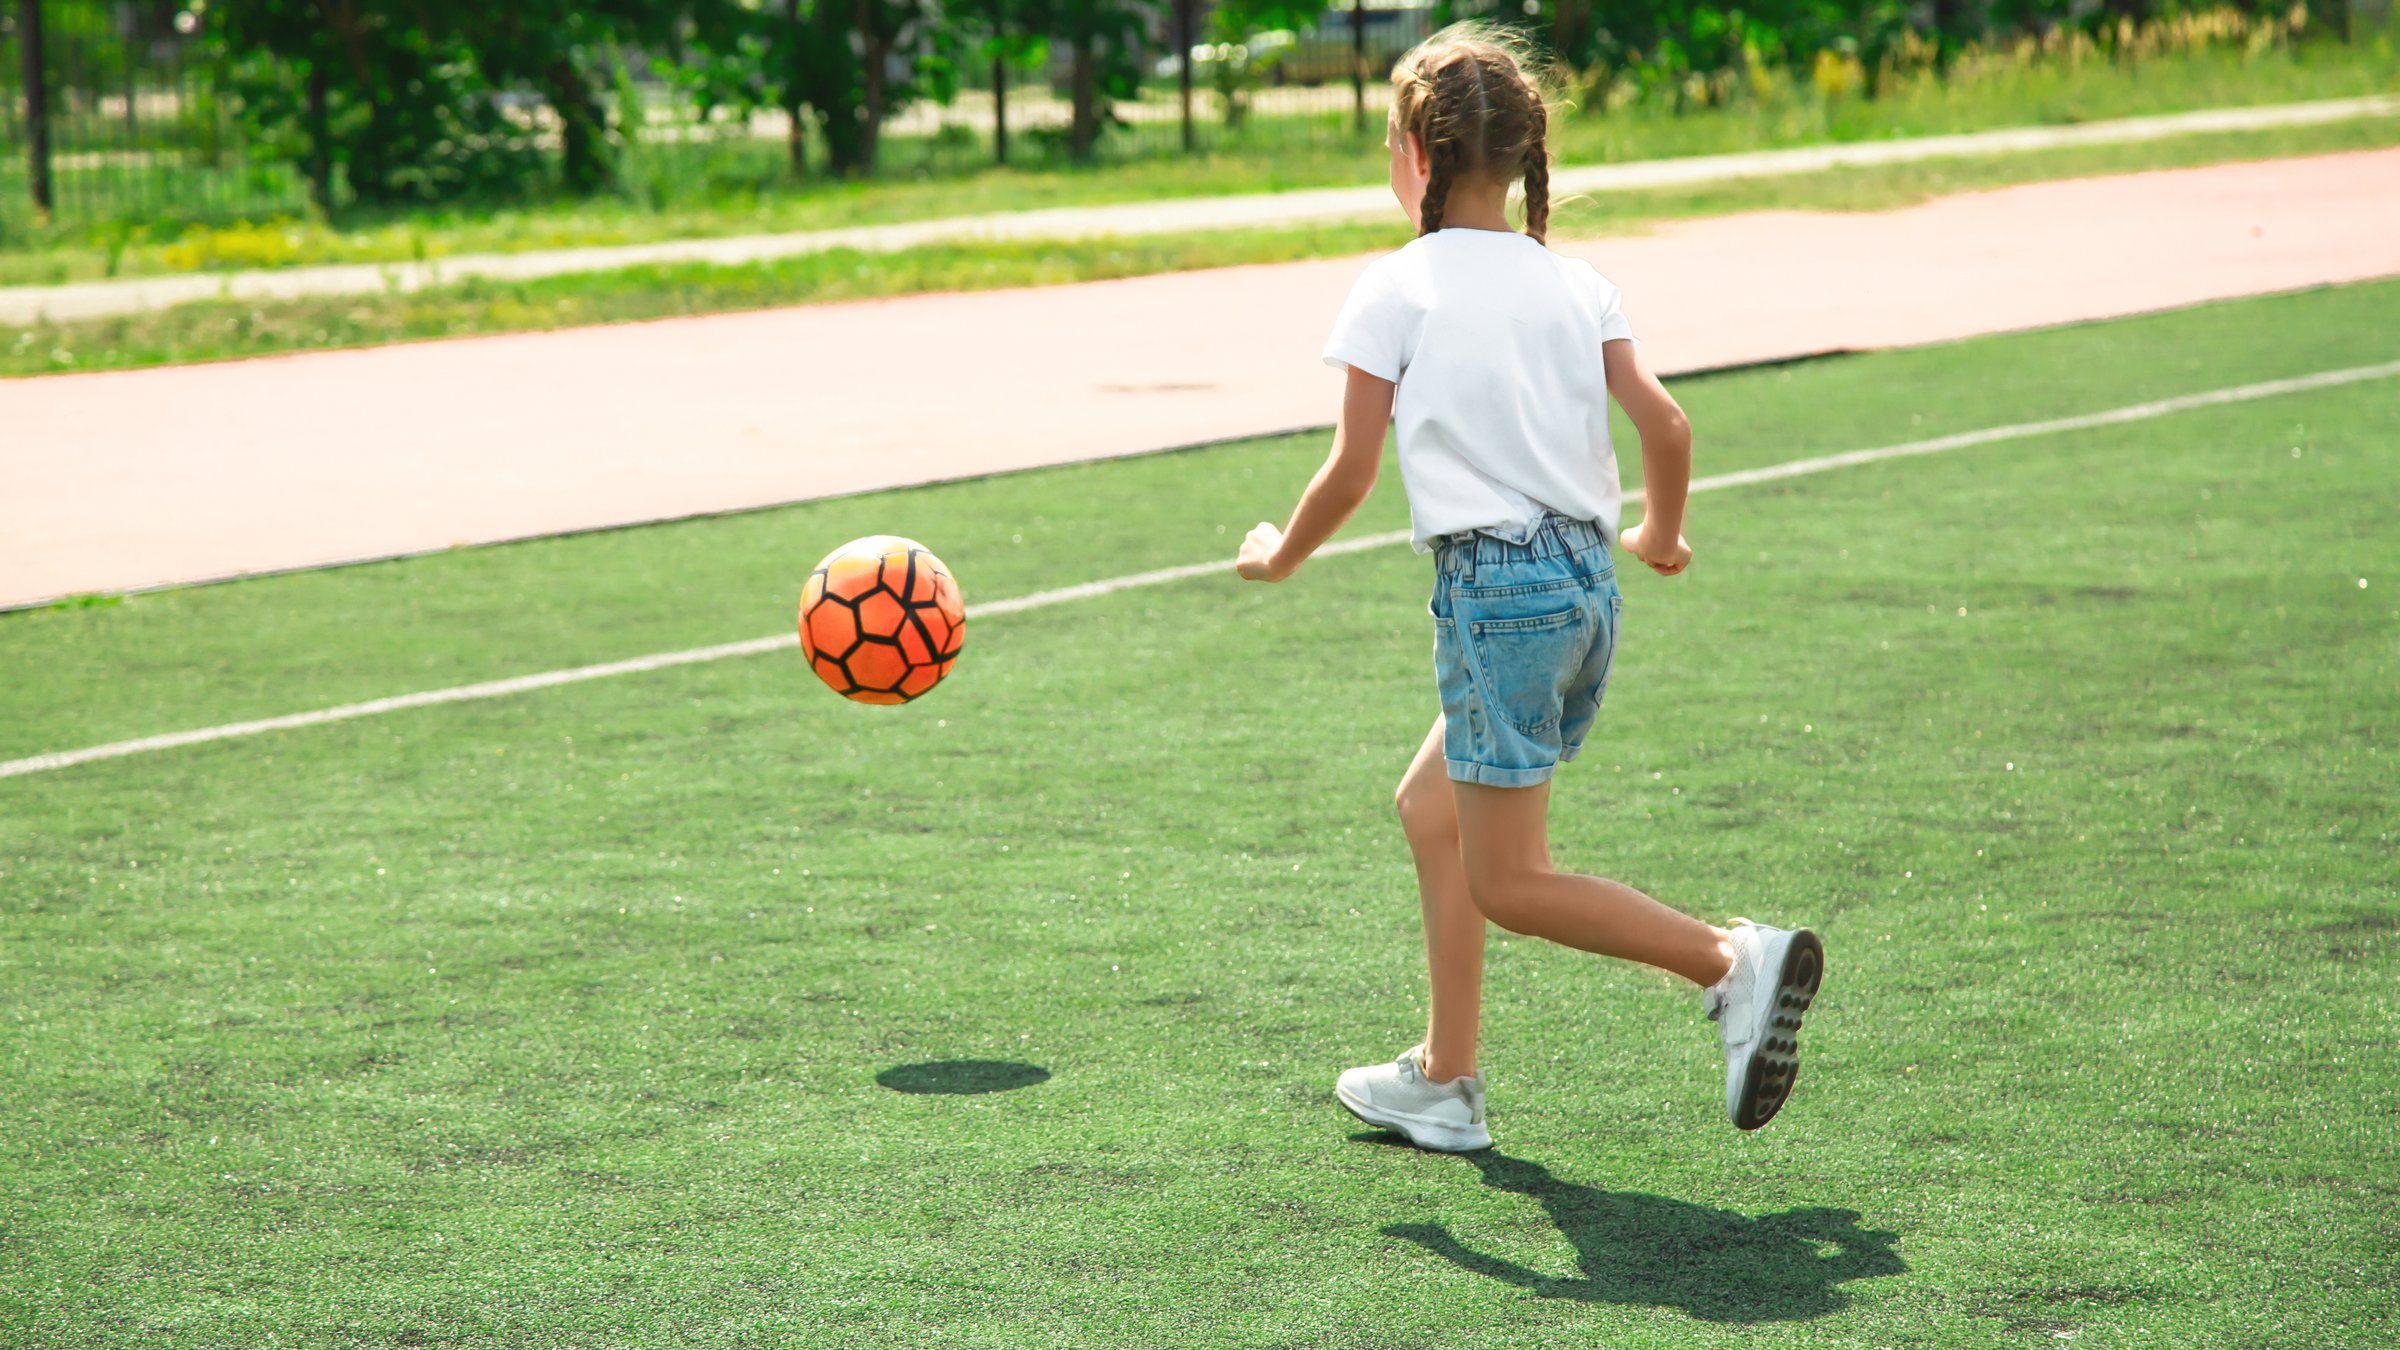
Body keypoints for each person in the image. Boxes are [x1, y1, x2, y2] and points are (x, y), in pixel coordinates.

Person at [1233, 24, 1823, 1150]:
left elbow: (1351, 474)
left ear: (1414, 150)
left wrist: (1277, 555)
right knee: (1428, 810)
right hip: (1583, 589)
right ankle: (1445, 1080)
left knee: (1511, 879)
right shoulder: (1576, 280)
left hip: (1499, 602)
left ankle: (1726, 961)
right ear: (1522, 158)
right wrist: (1659, 534)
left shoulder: (1394, 286)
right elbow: (1666, 422)